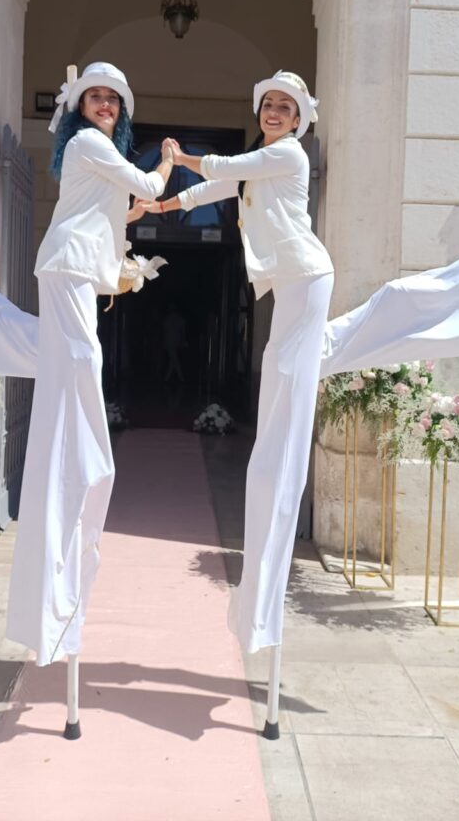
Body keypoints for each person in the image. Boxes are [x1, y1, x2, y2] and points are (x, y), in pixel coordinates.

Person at [139, 70, 332, 653]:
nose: (274, 113)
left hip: (306, 275)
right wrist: (163, 202)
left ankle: (283, 468)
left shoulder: (289, 156)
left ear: (298, 120)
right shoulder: (262, 159)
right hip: (289, 281)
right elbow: (217, 190)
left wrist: (180, 156)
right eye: (268, 105)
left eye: (284, 108)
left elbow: (220, 171)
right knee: (281, 370)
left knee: (291, 377)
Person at [5, 62, 175, 666]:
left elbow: (114, 210)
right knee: (80, 361)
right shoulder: (87, 142)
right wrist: (167, 161)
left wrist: (131, 223)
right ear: (80, 108)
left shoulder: (95, 152)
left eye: (111, 98)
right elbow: (148, 189)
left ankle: (75, 435)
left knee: (80, 361)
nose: (103, 104)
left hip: (75, 268)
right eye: (95, 97)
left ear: (120, 108)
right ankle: (76, 440)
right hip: (71, 269)